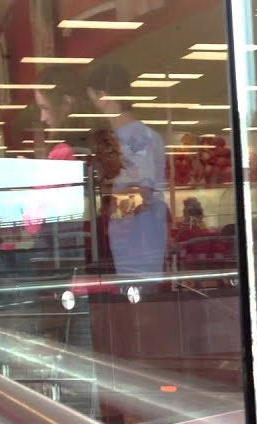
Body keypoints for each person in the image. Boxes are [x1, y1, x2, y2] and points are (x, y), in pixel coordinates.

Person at [87, 64, 169, 276]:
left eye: (92, 99)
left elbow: (142, 193)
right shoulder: (117, 137)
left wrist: (109, 213)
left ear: (102, 96)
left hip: (139, 239)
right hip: (131, 236)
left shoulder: (140, 139)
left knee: (139, 297)